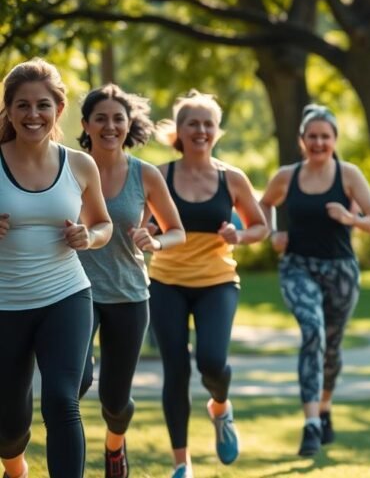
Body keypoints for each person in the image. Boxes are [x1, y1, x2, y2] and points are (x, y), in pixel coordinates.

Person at [0, 59, 113, 478]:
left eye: (43, 105)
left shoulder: (80, 164)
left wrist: (90, 236)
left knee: (62, 401)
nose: (33, 115)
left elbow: (103, 224)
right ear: (8, 110)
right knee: (9, 427)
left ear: (58, 110)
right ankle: (15, 469)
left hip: (65, 295)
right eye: (23, 106)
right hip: (5, 304)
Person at [149, 90, 268, 478]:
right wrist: (148, 228)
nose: (200, 130)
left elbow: (260, 226)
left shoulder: (231, 178)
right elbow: (141, 223)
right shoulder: (160, 176)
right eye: (192, 123)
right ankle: (181, 464)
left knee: (212, 362)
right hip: (166, 281)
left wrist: (240, 235)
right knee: (176, 370)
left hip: (217, 281)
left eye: (207, 124)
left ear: (216, 131)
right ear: (178, 131)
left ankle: (220, 407)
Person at [76, 85, 186, 478]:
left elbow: (178, 231)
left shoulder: (146, 174)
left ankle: (114, 446)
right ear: (85, 124)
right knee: (77, 379)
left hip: (128, 293)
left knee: (115, 399)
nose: (109, 126)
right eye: (100, 118)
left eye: (117, 118)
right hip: (75, 291)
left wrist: (154, 240)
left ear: (128, 124)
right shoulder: (67, 167)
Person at [259, 104, 370, 456]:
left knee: (331, 345)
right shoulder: (287, 176)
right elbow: (263, 204)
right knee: (312, 330)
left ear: (334, 140)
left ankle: (324, 409)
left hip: (340, 269)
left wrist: (350, 219)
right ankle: (311, 424)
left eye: (325, 136)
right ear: (302, 140)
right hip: (298, 266)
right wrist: (273, 233)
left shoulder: (348, 175)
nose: (318, 142)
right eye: (312, 136)